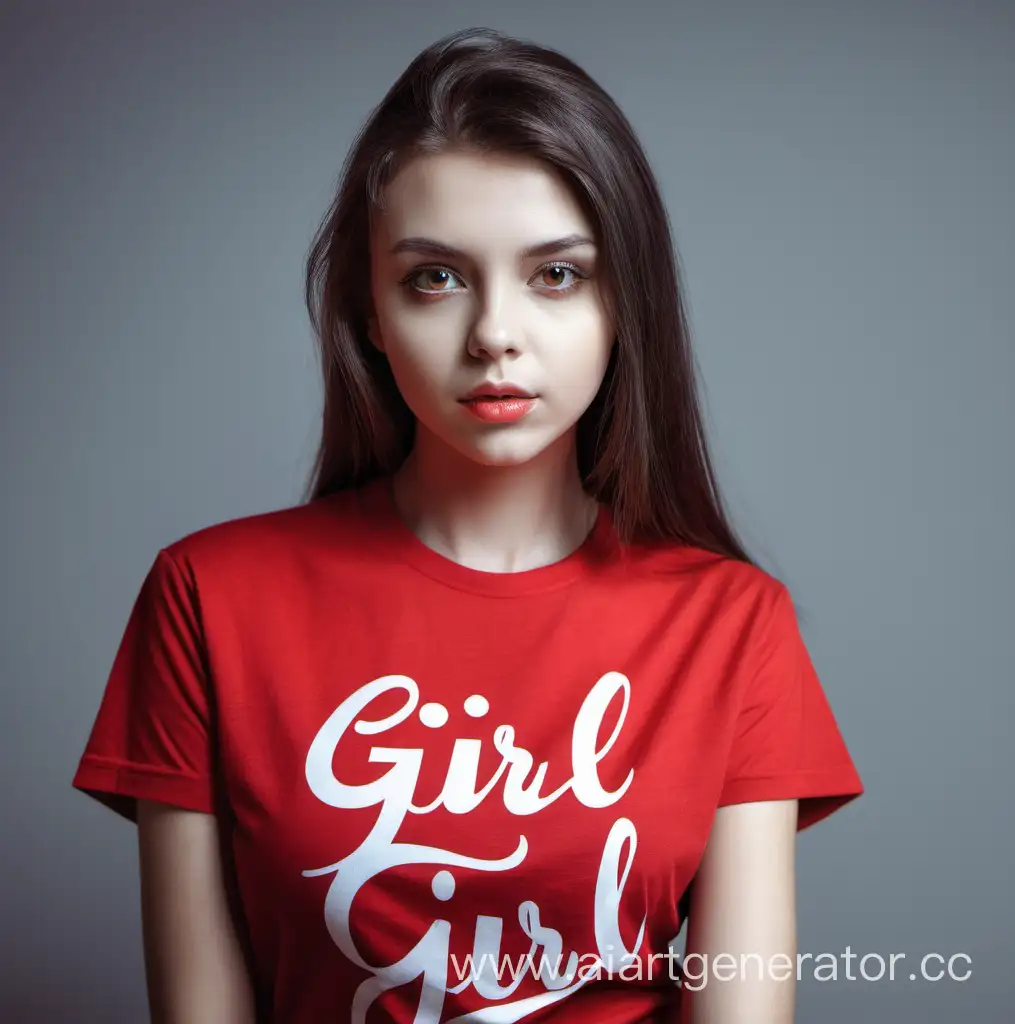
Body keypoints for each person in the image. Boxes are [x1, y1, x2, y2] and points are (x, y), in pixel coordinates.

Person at [72, 26, 864, 1024]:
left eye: (557, 275)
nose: (494, 332)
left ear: (626, 304)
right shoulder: (209, 600)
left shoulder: (732, 626)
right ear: (367, 309)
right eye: (435, 277)